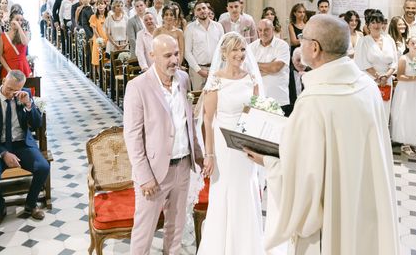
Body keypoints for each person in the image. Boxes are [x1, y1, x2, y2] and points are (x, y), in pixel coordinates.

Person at [244, 15, 399, 255]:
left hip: (330, 223)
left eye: (303, 38)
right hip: (366, 208)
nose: (300, 44)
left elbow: (304, 182)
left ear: (314, 48)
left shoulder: (314, 101)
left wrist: (267, 161)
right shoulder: (367, 86)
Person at [123, 35, 203, 255]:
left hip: (183, 165)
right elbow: (132, 136)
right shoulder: (137, 86)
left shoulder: (184, 79)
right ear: (152, 56)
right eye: (167, 55)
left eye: (176, 54)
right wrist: (144, 176)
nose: (174, 60)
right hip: (154, 172)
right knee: (144, 231)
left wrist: (198, 155)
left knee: (176, 227)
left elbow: (189, 122)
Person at [197, 32, 266, 254]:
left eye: (243, 49)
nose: (240, 54)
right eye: (235, 50)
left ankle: (247, 246)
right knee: (225, 190)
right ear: (224, 52)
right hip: (223, 146)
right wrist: (209, 154)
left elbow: (254, 112)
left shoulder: (251, 78)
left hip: (245, 144)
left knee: (246, 188)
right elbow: (208, 119)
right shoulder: (216, 79)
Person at [0, 70, 49, 229]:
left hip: (21, 144)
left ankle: (31, 204)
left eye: (15, 90)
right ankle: (0, 207)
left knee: (43, 167)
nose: (11, 93)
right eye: (9, 88)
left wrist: (29, 105)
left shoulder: (24, 96)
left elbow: (37, 124)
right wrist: (3, 153)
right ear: (3, 80)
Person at [354, 11, 398, 122]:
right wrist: (378, 76)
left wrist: (386, 76)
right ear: (368, 25)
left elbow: (394, 62)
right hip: (370, 79)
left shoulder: (389, 40)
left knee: (384, 109)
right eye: (373, 22)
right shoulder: (363, 41)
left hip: (387, 80)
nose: (376, 25)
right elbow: (361, 62)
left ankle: (383, 137)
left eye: (379, 22)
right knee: (371, 110)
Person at [250, 19, 291, 112]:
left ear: (272, 29)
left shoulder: (282, 45)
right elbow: (248, 72)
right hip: (258, 100)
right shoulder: (251, 47)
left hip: (279, 99)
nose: (263, 33)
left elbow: (275, 67)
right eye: (260, 30)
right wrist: (269, 66)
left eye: (266, 30)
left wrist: (255, 64)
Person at [184, 1, 224, 90]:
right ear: (195, 13)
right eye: (198, 9)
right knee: (198, 99)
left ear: (208, 10)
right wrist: (198, 70)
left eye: (204, 8)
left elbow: (222, 48)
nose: (202, 11)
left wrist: (218, 67)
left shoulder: (218, 26)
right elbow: (187, 52)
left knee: (215, 97)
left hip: (215, 68)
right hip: (197, 70)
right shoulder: (190, 28)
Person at [0, 11, 32, 79]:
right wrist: (8, 70)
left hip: (22, 66)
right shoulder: (2, 36)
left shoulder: (26, 33)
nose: (19, 22)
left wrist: (19, 28)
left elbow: (25, 42)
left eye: (21, 20)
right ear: (11, 21)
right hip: (9, 67)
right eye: (17, 19)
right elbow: (0, 56)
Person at [288, 3, 307, 110]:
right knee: (296, 78)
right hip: (296, 54)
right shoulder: (291, 25)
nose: (302, 14)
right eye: (299, 12)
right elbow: (294, 41)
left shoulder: (307, 25)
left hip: (305, 53)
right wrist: (304, 39)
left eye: (303, 12)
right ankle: (295, 102)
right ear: (294, 13)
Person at [89, 0, 109, 73]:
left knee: (107, 58)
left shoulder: (109, 16)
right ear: (96, 6)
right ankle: (100, 76)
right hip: (98, 38)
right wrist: (100, 40)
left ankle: (107, 77)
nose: (100, 5)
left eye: (102, 4)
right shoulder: (93, 17)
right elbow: (94, 30)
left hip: (107, 38)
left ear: (105, 5)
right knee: (98, 58)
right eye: (98, 4)